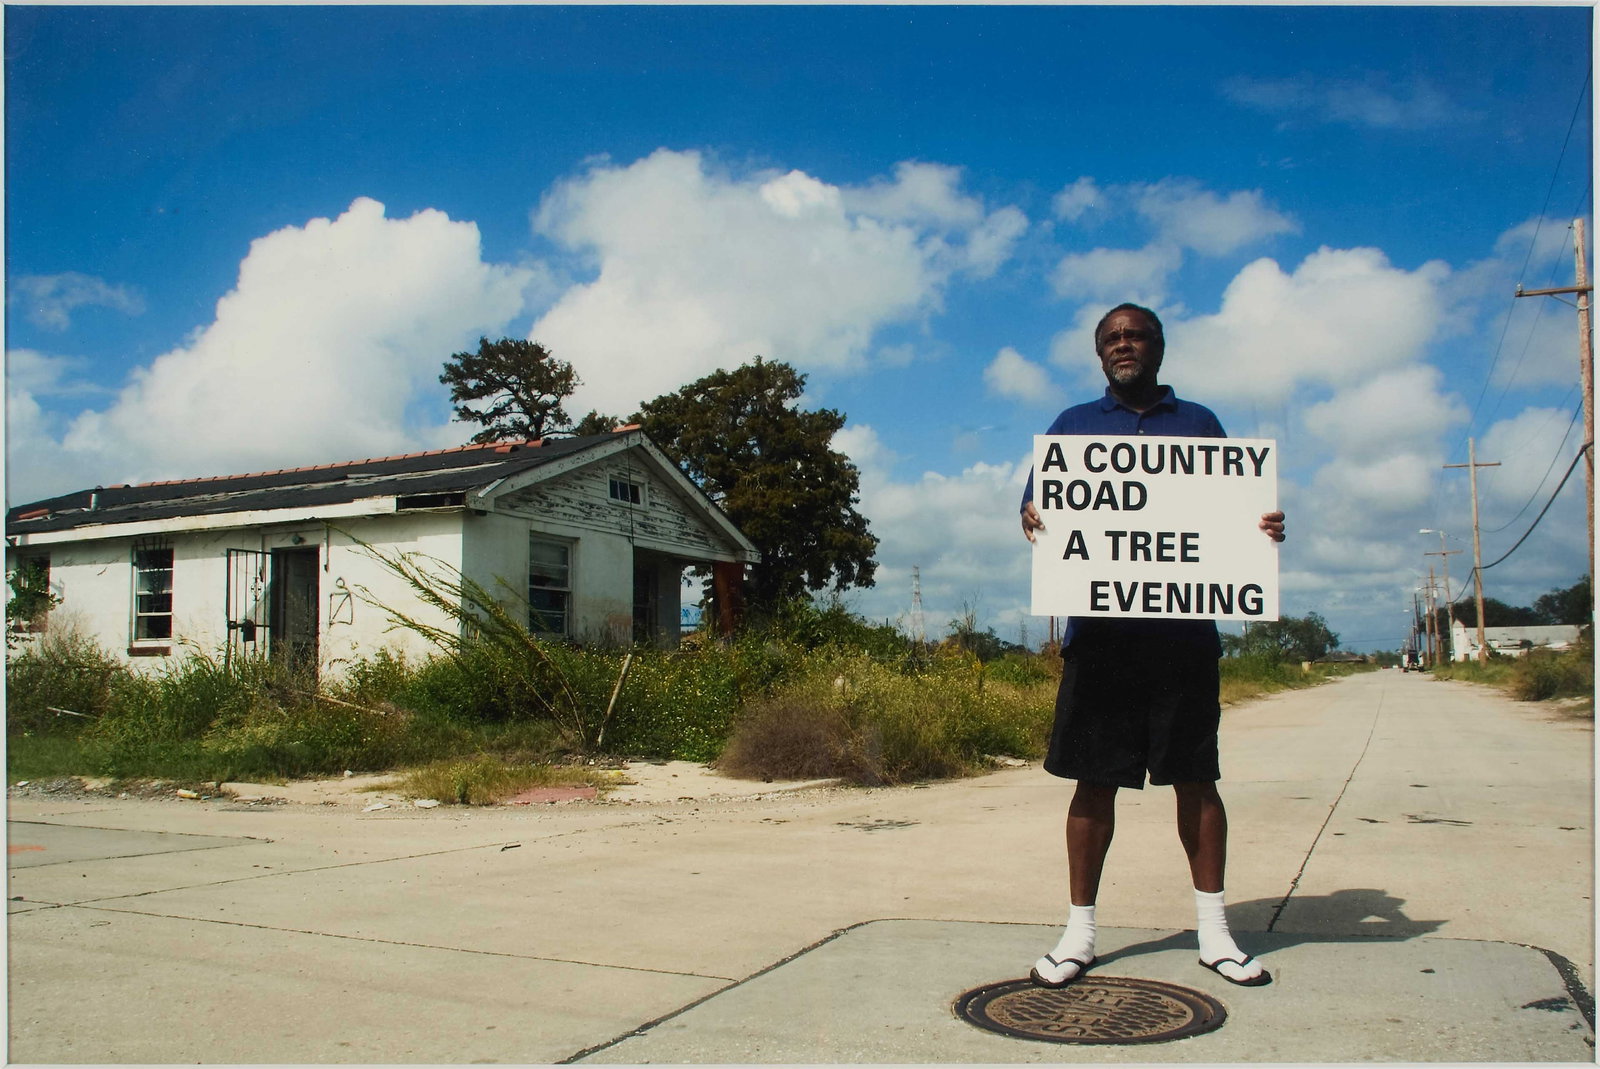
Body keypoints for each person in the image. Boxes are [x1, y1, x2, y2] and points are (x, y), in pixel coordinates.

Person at [1020, 302, 1286, 989]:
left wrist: (1260, 528)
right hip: (1101, 642)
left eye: (1136, 334)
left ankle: (1215, 934)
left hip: (1183, 643)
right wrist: (1033, 516)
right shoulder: (1071, 428)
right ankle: (1078, 934)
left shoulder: (1200, 424)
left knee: (1197, 781)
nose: (1124, 344)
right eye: (1112, 337)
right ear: (1098, 352)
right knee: (1091, 781)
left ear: (1159, 346)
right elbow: (1038, 512)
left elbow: (1234, 516)